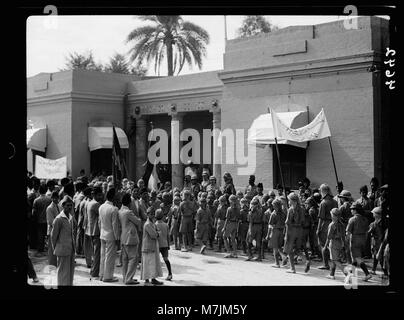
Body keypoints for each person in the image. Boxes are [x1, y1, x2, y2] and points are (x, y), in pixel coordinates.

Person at [51, 196, 76, 286]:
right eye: (68, 205)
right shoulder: (58, 219)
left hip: (70, 249)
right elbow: (53, 237)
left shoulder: (70, 217)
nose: (69, 207)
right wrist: (57, 249)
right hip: (62, 251)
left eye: (71, 205)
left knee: (70, 273)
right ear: (63, 206)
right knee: (62, 274)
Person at [118, 193, 141, 285]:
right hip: (131, 238)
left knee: (125, 260)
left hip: (123, 237)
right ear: (129, 202)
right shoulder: (128, 212)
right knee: (133, 259)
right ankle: (129, 278)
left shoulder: (120, 211)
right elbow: (138, 221)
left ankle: (125, 277)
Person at [98, 188, 120, 282]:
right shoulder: (114, 209)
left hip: (103, 234)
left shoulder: (101, 206)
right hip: (111, 235)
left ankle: (102, 274)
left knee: (103, 255)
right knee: (110, 257)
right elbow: (115, 225)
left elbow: (99, 222)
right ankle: (107, 277)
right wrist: (117, 238)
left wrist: (101, 231)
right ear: (113, 197)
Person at [346, 202, 372, 281]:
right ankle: (351, 275)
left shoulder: (352, 219)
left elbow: (348, 232)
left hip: (355, 239)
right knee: (356, 258)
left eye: (352, 209)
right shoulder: (365, 219)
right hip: (363, 239)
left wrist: (346, 243)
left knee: (357, 258)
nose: (351, 211)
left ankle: (367, 274)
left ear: (355, 210)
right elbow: (367, 231)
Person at [316, 184, 338, 270]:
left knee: (324, 245)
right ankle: (333, 264)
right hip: (335, 224)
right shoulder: (335, 202)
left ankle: (325, 264)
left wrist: (318, 229)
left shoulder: (323, 202)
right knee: (332, 245)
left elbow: (321, 218)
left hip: (325, 225)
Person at [283, 193, 306, 273]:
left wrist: (286, 234)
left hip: (291, 230)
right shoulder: (302, 209)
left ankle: (292, 268)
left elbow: (287, 222)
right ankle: (306, 261)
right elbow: (303, 221)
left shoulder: (290, 209)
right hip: (299, 230)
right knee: (297, 249)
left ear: (292, 200)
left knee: (289, 249)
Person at [141, 207, 163, 285]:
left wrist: (157, 233)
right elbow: (154, 234)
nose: (152, 215)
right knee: (147, 263)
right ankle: (147, 280)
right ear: (147, 214)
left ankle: (153, 278)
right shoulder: (147, 224)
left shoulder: (152, 223)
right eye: (150, 214)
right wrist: (157, 233)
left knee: (153, 263)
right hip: (147, 246)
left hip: (152, 245)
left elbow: (157, 232)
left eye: (153, 214)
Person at [324, 208, 347, 280]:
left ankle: (347, 273)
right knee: (334, 258)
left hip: (333, 243)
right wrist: (344, 245)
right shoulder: (342, 224)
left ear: (333, 216)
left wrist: (325, 246)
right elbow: (343, 236)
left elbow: (329, 236)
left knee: (335, 260)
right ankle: (332, 274)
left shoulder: (332, 225)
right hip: (340, 243)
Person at [87, 187, 103, 279]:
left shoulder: (90, 203)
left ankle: (93, 270)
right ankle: (95, 273)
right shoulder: (96, 204)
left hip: (91, 230)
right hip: (96, 231)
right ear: (94, 195)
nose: (100, 196)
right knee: (97, 254)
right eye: (99, 195)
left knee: (94, 253)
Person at [32, 184, 52, 257]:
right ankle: (47, 247)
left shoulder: (36, 200)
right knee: (47, 234)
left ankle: (41, 248)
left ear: (39, 191)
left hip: (39, 220)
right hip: (47, 219)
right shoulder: (49, 199)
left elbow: (33, 212)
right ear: (46, 190)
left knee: (40, 234)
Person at [266, 198, 287, 268]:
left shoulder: (273, 214)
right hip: (281, 231)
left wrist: (268, 235)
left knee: (275, 248)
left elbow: (270, 225)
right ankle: (283, 256)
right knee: (279, 247)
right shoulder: (283, 213)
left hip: (275, 231)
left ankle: (277, 262)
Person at [155, 208, 173, 281]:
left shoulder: (155, 225)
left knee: (156, 260)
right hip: (165, 244)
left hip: (157, 245)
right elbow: (168, 236)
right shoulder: (166, 225)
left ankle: (155, 275)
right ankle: (170, 274)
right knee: (166, 259)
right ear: (163, 216)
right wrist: (168, 245)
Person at [367, 207, 386, 275]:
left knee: (380, 258)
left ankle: (385, 273)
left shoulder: (375, 224)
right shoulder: (382, 222)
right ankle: (373, 269)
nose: (373, 214)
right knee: (375, 256)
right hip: (379, 242)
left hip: (378, 242)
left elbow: (369, 232)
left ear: (377, 215)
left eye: (374, 213)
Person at [46, 191, 60, 266]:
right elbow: (50, 221)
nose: (55, 199)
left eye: (56, 197)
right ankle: (52, 264)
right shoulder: (49, 208)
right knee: (51, 248)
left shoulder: (59, 206)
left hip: (58, 230)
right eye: (54, 198)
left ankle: (55, 263)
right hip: (52, 230)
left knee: (56, 247)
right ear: (51, 198)